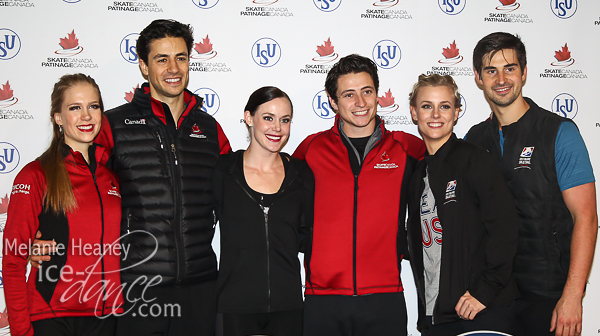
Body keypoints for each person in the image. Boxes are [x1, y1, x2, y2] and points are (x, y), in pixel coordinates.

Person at [31, 19, 231, 336]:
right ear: (143, 66)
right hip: (138, 287)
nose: (173, 68)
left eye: (180, 57)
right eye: (161, 59)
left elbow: (235, 199)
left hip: (201, 287)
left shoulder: (209, 130)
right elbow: (75, 182)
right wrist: (44, 235)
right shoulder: (113, 125)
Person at [466, 32, 597, 336]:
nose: (501, 78)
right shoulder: (474, 140)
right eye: (491, 70)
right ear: (478, 78)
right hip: (492, 297)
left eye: (509, 68)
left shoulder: (559, 132)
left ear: (524, 73)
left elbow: (586, 218)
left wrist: (572, 297)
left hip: (548, 295)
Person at [292, 54, 425, 336]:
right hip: (323, 299)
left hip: (385, 296)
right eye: (349, 94)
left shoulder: (406, 149)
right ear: (332, 101)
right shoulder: (311, 150)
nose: (361, 103)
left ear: (377, 94)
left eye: (367, 91)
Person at [3, 73, 123, 336]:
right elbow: (13, 261)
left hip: (107, 318)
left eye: (93, 106)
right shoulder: (35, 175)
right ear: (58, 118)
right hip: (53, 318)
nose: (86, 116)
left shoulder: (111, 177)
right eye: (74, 108)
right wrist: (22, 332)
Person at [406, 73, 520, 335]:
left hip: (481, 312)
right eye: (426, 106)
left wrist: (484, 292)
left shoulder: (476, 160)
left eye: (444, 106)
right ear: (414, 113)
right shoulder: (417, 175)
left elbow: (505, 230)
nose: (436, 114)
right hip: (437, 316)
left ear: (456, 112)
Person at [212, 86, 313, 336]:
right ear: (249, 118)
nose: (277, 128)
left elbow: (308, 237)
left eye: (285, 120)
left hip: (287, 308)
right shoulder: (223, 171)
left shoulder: (301, 175)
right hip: (234, 307)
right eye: (268, 118)